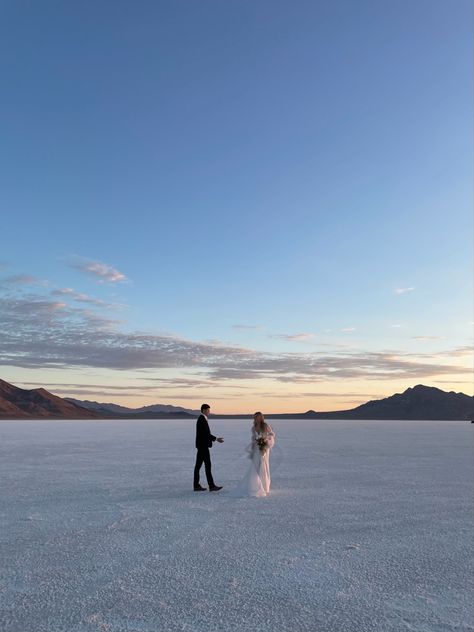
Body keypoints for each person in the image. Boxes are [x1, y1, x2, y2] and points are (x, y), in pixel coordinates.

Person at [233, 412, 275, 497]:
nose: (256, 418)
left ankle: (264, 486)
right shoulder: (254, 427)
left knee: (263, 465)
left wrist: (266, 441)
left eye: (258, 417)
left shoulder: (265, 425)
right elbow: (253, 438)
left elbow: (272, 434)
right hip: (256, 448)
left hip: (264, 448)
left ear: (261, 417)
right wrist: (253, 449)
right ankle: (255, 485)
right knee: (255, 465)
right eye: (255, 417)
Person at [193, 404, 224, 492]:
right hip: (203, 446)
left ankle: (197, 485)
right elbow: (206, 434)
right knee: (207, 466)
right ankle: (211, 486)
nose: (209, 412)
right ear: (203, 410)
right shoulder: (202, 419)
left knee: (199, 466)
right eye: (207, 410)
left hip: (202, 446)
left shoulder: (202, 419)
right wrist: (216, 439)